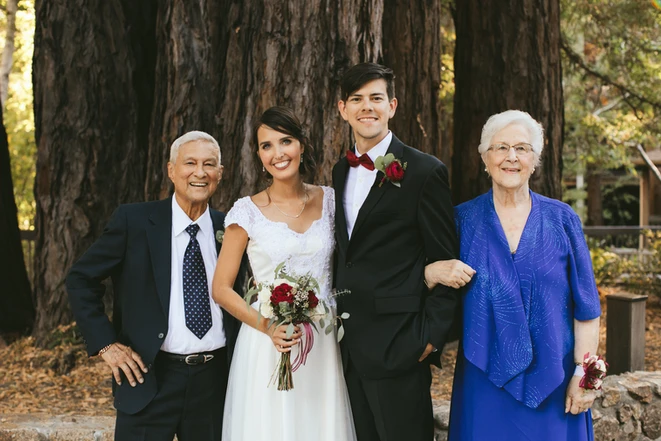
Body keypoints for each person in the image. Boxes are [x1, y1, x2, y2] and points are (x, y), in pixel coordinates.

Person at [425, 110, 602, 440]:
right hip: (483, 380)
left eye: (522, 148)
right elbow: (429, 284)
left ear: (535, 159)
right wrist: (431, 271)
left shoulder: (563, 220)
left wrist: (584, 375)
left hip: (556, 379)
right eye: (500, 147)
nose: (511, 157)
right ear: (484, 157)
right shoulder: (460, 222)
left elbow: (587, 309)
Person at [67, 131, 245, 441]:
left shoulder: (231, 227)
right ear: (171, 170)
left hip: (216, 383)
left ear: (221, 173)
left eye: (209, 164)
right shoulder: (133, 221)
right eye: (190, 163)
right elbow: (81, 279)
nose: (200, 172)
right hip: (148, 378)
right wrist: (106, 345)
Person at [212, 106, 356, 441]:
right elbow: (221, 288)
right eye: (266, 145)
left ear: (301, 145)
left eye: (285, 141)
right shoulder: (246, 212)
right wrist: (270, 327)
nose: (277, 153)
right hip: (268, 342)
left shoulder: (332, 201)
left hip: (322, 341)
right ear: (259, 155)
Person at [332, 62, 460, 441]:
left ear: (393, 106)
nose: (366, 107)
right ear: (343, 109)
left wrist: (430, 339)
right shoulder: (341, 171)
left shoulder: (424, 171)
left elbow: (445, 260)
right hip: (348, 348)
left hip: (400, 344)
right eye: (356, 99)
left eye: (376, 98)